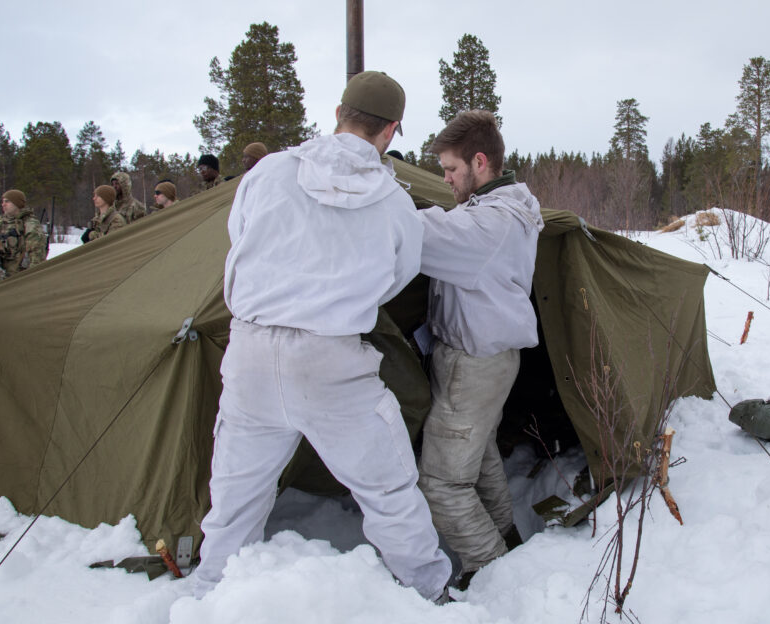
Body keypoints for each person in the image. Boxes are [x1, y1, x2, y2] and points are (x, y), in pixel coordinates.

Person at [189, 70, 451, 603]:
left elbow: (241, 235)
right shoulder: (395, 202)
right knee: (388, 490)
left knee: (236, 496)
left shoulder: (267, 172)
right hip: (333, 362)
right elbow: (398, 275)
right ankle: (430, 593)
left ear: (338, 114)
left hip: (252, 354)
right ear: (392, 131)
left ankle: (207, 596)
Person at [415, 110, 543, 588]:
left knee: (442, 483)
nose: (445, 179)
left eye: (450, 169)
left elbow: (419, 235)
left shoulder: (490, 225)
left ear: (480, 162)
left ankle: (491, 572)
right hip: (478, 363)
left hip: (474, 366)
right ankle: (507, 540)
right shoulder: (494, 211)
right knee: (481, 455)